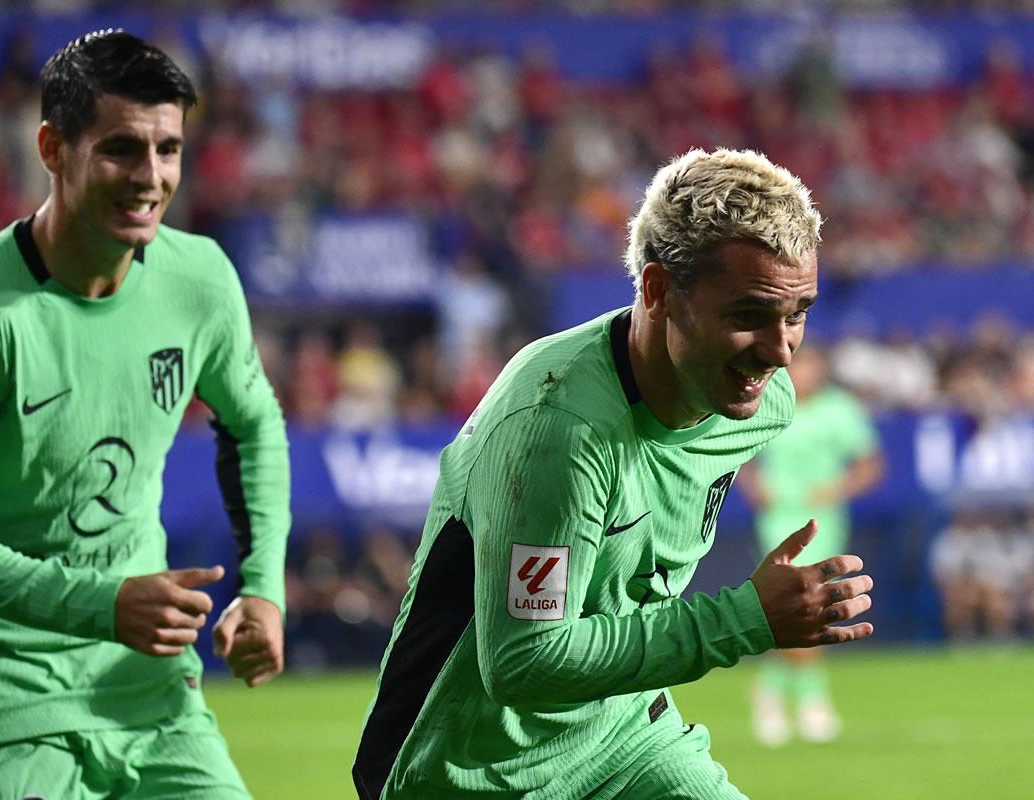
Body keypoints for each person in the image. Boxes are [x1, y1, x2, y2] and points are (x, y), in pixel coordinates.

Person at [353, 148, 874, 800]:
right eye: (747, 315)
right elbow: (523, 662)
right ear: (657, 291)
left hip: (624, 734)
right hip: (470, 771)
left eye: (797, 313)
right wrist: (744, 618)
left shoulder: (760, 403)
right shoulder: (556, 428)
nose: (780, 349)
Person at [0, 31, 290, 800]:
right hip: (3, 706)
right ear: (52, 147)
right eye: (122, 149)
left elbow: (254, 421)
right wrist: (102, 604)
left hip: (153, 697)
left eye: (168, 150)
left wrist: (264, 587)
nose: (152, 177)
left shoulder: (200, 279)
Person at [739, 343, 882, 745]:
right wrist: (754, 487)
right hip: (779, 521)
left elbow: (870, 464)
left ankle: (770, 689)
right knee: (800, 607)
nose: (805, 374)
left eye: (813, 366)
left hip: (825, 522)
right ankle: (812, 699)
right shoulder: (769, 402)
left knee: (815, 611)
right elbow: (741, 454)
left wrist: (839, 487)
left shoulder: (841, 410)